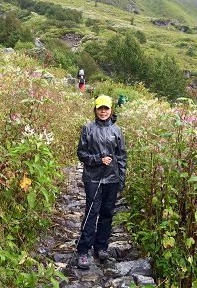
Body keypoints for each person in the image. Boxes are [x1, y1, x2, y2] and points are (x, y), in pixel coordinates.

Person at [76, 94, 127, 269]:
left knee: (107, 213)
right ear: (95, 110)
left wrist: (121, 178)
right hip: (93, 178)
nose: (103, 111)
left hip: (111, 179)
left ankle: (101, 247)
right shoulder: (88, 129)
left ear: (111, 110)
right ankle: (83, 251)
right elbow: (81, 153)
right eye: (100, 108)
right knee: (92, 212)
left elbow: (121, 156)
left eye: (106, 108)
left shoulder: (117, 130)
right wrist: (98, 159)